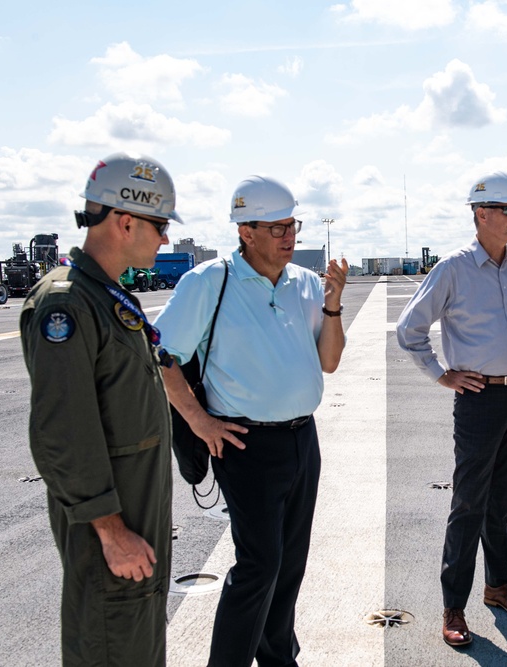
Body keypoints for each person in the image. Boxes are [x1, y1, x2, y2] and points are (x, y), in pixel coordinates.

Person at [154, 175, 347, 667]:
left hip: (303, 438)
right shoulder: (208, 282)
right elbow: (161, 357)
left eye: (293, 225)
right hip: (243, 443)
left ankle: (279, 658)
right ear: (246, 231)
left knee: (289, 567)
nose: (289, 235)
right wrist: (199, 421)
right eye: (277, 226)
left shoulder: (305, 284)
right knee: (259, 566)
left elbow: (329, 362)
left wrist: (332, 305)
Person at [21, 152, 182, 666]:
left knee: (134, 638)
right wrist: (111, 532)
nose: (165, 240)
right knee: (111, 643)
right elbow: (62, 434)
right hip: (112, 526)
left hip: (133, 513)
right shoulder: (67, 304)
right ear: (125, 220)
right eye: (160, 226)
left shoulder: (105, 294)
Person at [397, 171, 507, 648]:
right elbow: (410, 330)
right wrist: (442, 373)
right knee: (468, 504)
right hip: (478, 399)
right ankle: (453, 607)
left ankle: (498, 587)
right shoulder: (452, 269)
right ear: (480, 214)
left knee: (501, 504)